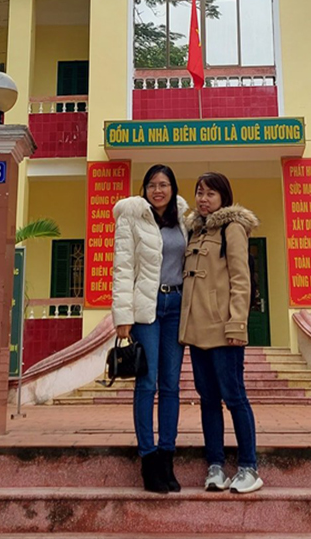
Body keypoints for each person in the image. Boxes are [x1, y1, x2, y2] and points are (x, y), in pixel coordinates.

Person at [179, 171, 263, 495]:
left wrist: (237, 324)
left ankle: (249, 467)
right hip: (197, 330)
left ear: (223, 197)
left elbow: (241, 279)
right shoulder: (195, 231)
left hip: (224, 330)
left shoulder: (233, 228)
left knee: (234, 396)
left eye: (210, 193)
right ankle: (215, 466)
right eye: (200, 192)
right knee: (208, 400)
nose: (203, 199)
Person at [112, 164, 188, 494]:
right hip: (147, 308)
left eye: (164, 184)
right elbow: (122, 267)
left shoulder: (182, 218)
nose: (158, 190)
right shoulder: (131, 216)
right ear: (144, 189)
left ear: (173, 188)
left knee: (171, 385)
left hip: (177, 307)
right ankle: (148, 458)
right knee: (147, 383)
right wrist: (122, 316)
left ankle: (167, 456)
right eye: (152, 185)